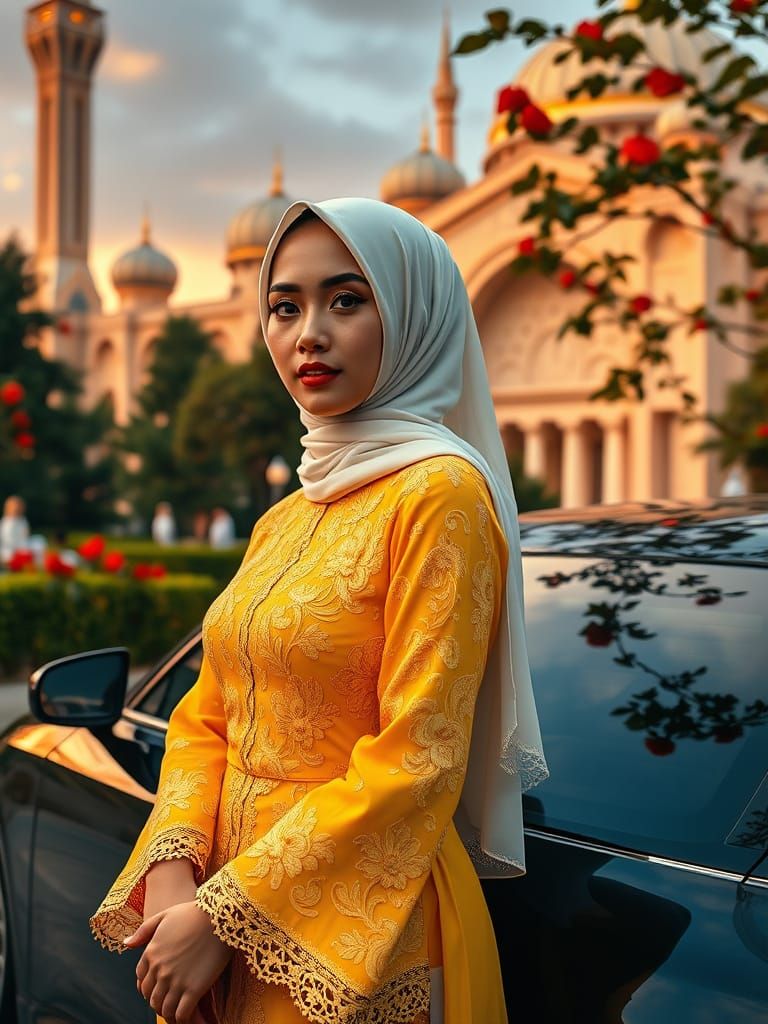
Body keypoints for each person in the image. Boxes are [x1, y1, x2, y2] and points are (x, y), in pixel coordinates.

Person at [90, 198, 549, 1024]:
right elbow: (207, 713)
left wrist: (228, 915)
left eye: (347, 299)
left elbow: (420, 757)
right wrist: (173, 872)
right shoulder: (290, 512)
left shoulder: (439, 495)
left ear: (412, 311)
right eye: (285, 306)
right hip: (209, 923)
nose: (309, 334)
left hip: (353, 932)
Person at [0, 495, 30, 567]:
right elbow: (5, 541)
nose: (17, 508)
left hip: (22, 548)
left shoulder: (23, 520)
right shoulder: (5, 522)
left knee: (38, 542)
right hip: (8, 550)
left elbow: (25, 537)